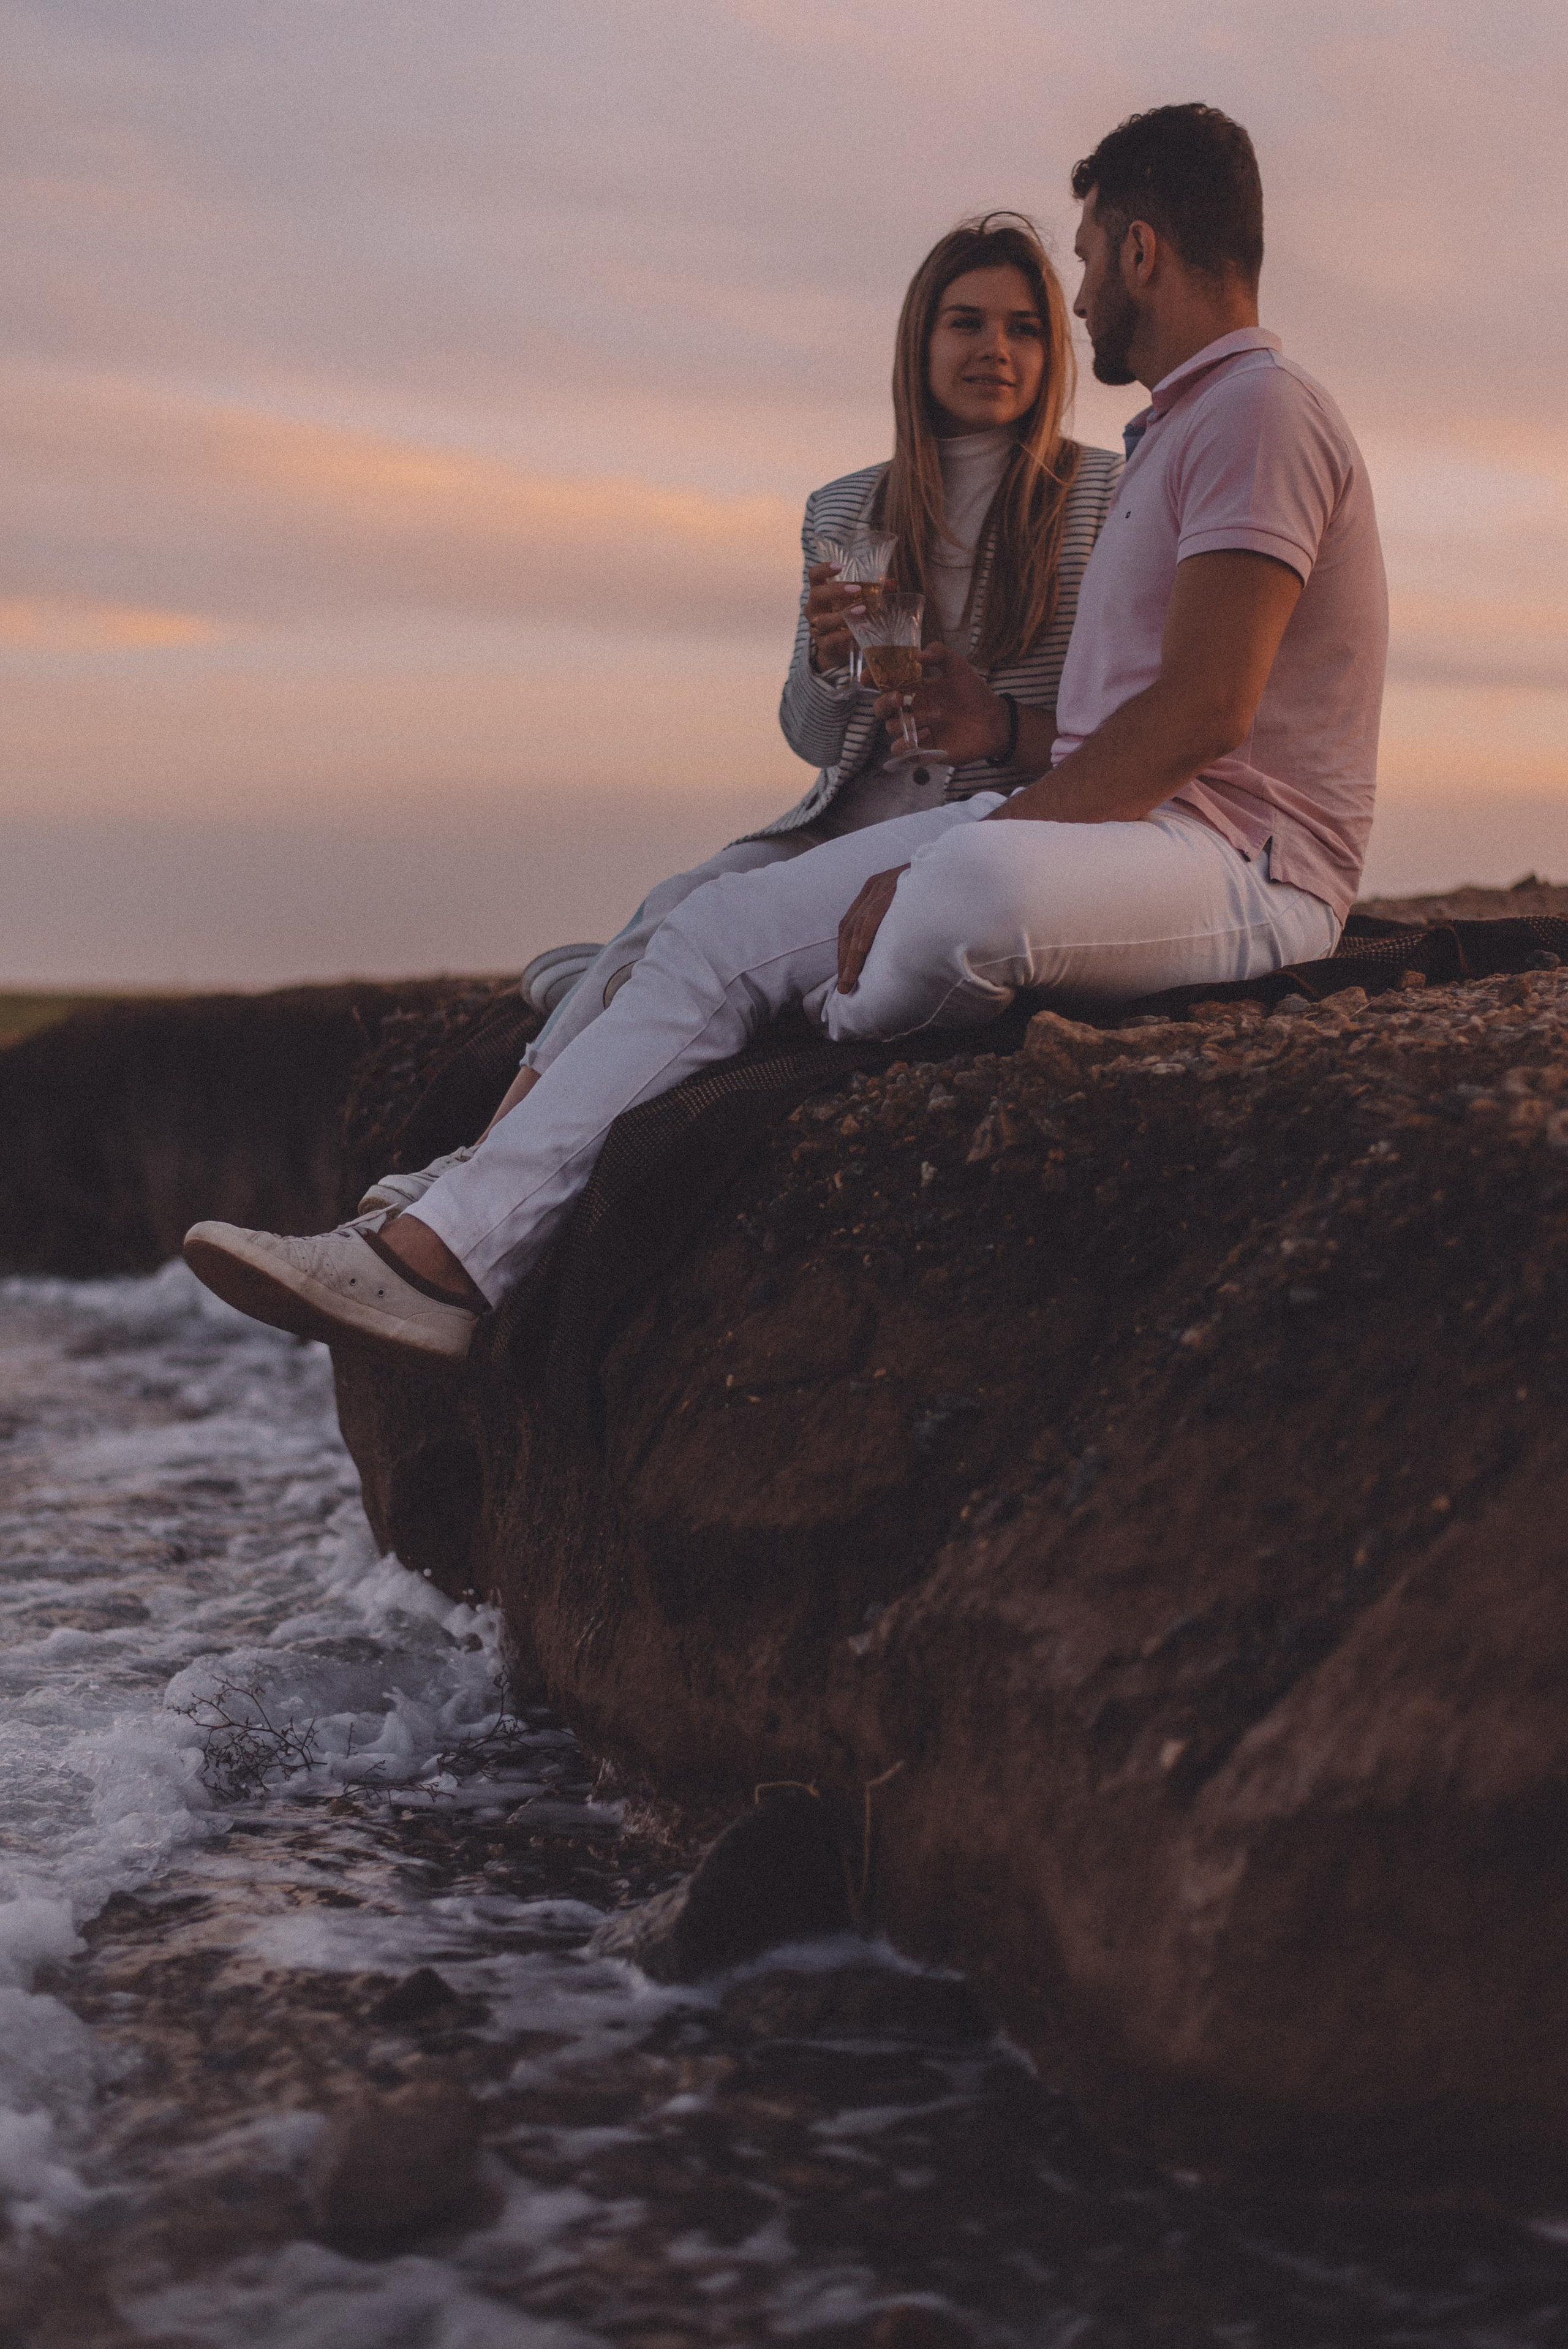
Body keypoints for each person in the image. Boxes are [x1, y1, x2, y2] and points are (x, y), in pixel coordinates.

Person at [185, 102, 1388, 1367]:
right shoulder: (1167, 432)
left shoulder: (1259, 413)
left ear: (1141, 250)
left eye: (1084, 262)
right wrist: (952, 731)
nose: (1080, 297)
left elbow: (1205, 713)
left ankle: (800, 996)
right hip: (1101, 830)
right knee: (706, 926)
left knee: (956, 884)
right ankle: (441, 1258)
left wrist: (919, 864)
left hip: (1244, 865)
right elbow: (1077, 729)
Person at [356, 214, 1121, 1231]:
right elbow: (813, 739)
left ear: (1052, 352)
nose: (995, 350)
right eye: (966, 323)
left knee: (688, 934)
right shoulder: (850, 507)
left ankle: (571, 1028)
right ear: (918, 342)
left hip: (985, 814)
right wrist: (827, 657)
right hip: (849, 812)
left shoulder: (1103, 494)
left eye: (1025, 329)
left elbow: (1113, 708)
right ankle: (483, 1152)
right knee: (685, 893)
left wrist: (1001, 723)